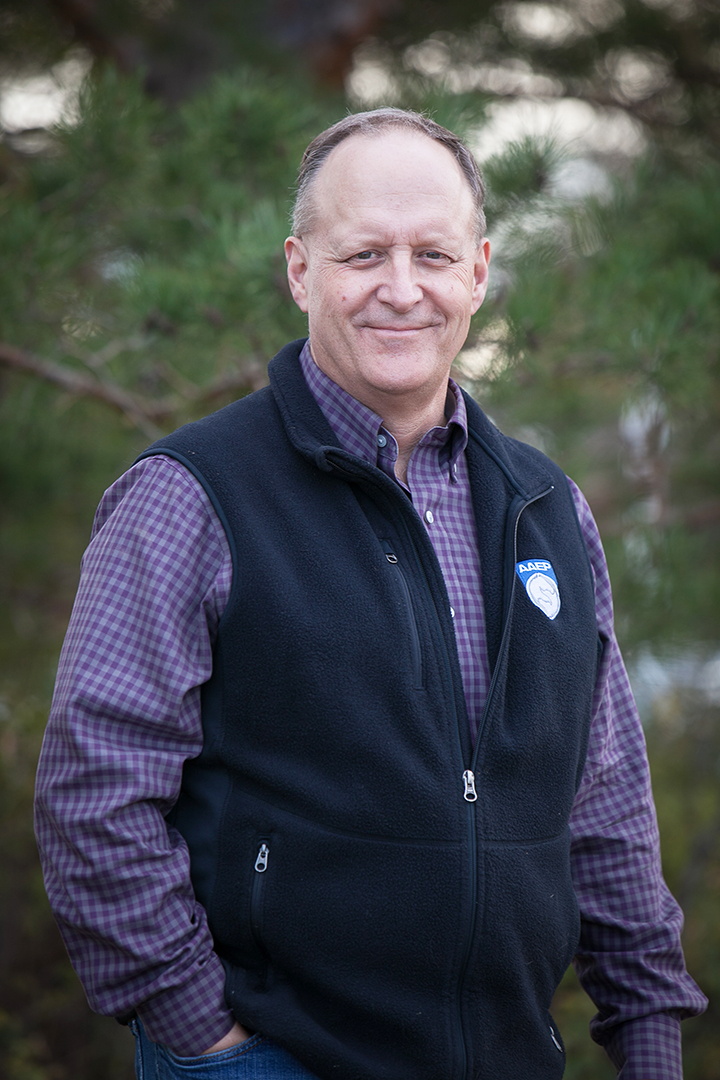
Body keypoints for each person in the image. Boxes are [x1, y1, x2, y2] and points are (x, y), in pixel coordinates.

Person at [35, 108, 706, 1080]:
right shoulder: (190, 496)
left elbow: (607, 814)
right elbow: (95, 792)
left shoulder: (547, 509)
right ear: (301, 269)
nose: (401, 289)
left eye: (432, 254)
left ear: (477, 272)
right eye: (363, 255)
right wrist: (210, 1044)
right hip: (273, 1061)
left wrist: (649, 1042)